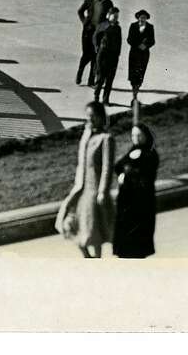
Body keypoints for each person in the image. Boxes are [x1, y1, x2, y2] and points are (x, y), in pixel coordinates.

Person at [55, 101, 115, 258]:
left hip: (94, 190)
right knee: (69, 224)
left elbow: (107, 168)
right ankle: (89, 259)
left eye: (94, 116)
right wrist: (87, 134)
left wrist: (102, 191)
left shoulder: (106, 138)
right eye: (88, 117)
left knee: (92, 231)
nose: (90, 120)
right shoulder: (87, 137)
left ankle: (96, 262)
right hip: (81, 189)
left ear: (102, 117)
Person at [113, 122, 159, 259]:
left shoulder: (150, 154)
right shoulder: (132, 151)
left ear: (146, 136)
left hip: (141, 202)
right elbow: (118, 166)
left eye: (139, 135)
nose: (136, 138)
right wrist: (122, 174)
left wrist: (125, 177)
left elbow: (145, 177)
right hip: (126, 201)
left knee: (137, 241)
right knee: (125, 236)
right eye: (133, 135)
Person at [76, 0, 114, 86]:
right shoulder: (89, 1)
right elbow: (80, 11)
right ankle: (79, 73)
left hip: (99, 33)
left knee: (96, 56)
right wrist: (84, 22)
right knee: (85, 55)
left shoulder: (108, 3)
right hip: (88, 32)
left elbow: (111, 15)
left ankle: (91, 80)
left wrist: (107, 25)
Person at [93, 7, 123, 107]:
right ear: (108, 16)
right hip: (103, 56)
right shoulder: (103, 26)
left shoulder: (118, 28)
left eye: (117, 16)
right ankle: (96, 98)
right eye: (114, 16)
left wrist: (118, 55)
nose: (115, 18)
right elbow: (95, 37)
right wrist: (97, 48)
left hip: (113, 57)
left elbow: (119, 42)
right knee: (100, 78)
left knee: (110, 80)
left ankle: (106, 100)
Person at [127, 10, 156, 94]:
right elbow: (129, 39)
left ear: (146, 18)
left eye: (144, 18)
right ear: (138, 18)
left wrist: (145, 46)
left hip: (144, 53)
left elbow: (152, 41)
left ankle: (138, 85)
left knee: (141, 70)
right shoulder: (133, 26)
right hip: (134, 52)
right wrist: (137, 45)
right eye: (140, 17)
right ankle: (133, 85)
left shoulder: (150, 27)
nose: (142, 19)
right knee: (133, 70)